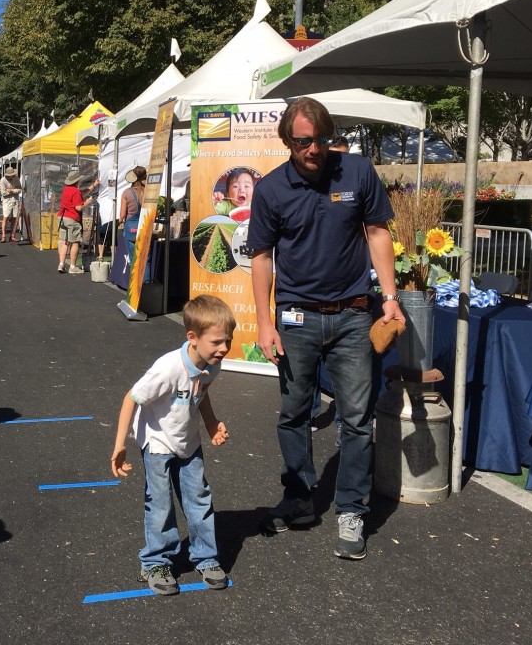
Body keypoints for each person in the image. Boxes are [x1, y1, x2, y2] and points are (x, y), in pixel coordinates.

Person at [245, 96, 405, 561]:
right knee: (294, 413)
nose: (313, 149)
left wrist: (390, 297)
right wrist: (263, 323)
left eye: (320, 139)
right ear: (287, 140)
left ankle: (351, 508)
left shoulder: (355, 171)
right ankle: (299, 498)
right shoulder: (272, 189)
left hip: (355, 315)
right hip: (295, 318)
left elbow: (378, 232)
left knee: (357, 418)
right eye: (303, 141)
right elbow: (260, 257)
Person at [110, 295, 234, 595]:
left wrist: (211, 424)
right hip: (157, 441)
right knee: (161, 501)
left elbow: (200, 395)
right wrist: (120, 444)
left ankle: (205, 557)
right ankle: (155, 561)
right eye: (217, 341)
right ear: (192, 337)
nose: (225, 348)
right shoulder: (167, 368)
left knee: (199, 498)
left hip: (187, 441)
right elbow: (132, 398)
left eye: (228, 340)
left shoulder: (212, 364)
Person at [56, 169, 97, 275]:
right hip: (72, 219)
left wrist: (94, 185)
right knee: (75, 242)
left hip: (62, 217)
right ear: (77, 181)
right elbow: (78, 207)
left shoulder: (66, 189)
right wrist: (87, 203)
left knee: (65, 241)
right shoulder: (76, 191)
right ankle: (73, 266)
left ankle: (61, 264)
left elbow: (82, 193)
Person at [119, 166, 147, 267]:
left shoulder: (126, 193)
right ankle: (146, 281)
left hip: (131, 227)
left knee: (133, 258)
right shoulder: (147, 192)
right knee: (145, 259)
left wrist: (119, 221)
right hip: (144, 224)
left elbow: (122, 215)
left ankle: (134, 282)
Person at [0, 166, 22, 243]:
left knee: (14, 218)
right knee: (5, 217)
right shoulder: (3, 180)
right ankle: (3, 235)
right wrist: (13, 190)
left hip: (15, 200)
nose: (13, 176)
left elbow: (19, 189)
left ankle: (12, 235)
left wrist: (11, 190)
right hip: (7, 201)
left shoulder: (16, 178)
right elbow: (3, 193)